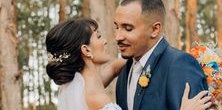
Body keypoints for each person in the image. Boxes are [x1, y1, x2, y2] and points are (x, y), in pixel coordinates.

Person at [46, 17, 211, 110]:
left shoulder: (74, 84)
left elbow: (114, 67)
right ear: (86, 50)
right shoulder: (97, 99)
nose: (105, 41)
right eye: (98, 36)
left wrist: (154, 60)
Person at [115, 0, 209, 110]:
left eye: (128, 29)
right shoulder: (124, 72)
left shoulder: (179, 65)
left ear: (155, 29)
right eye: (116, 27)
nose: (118, 37)